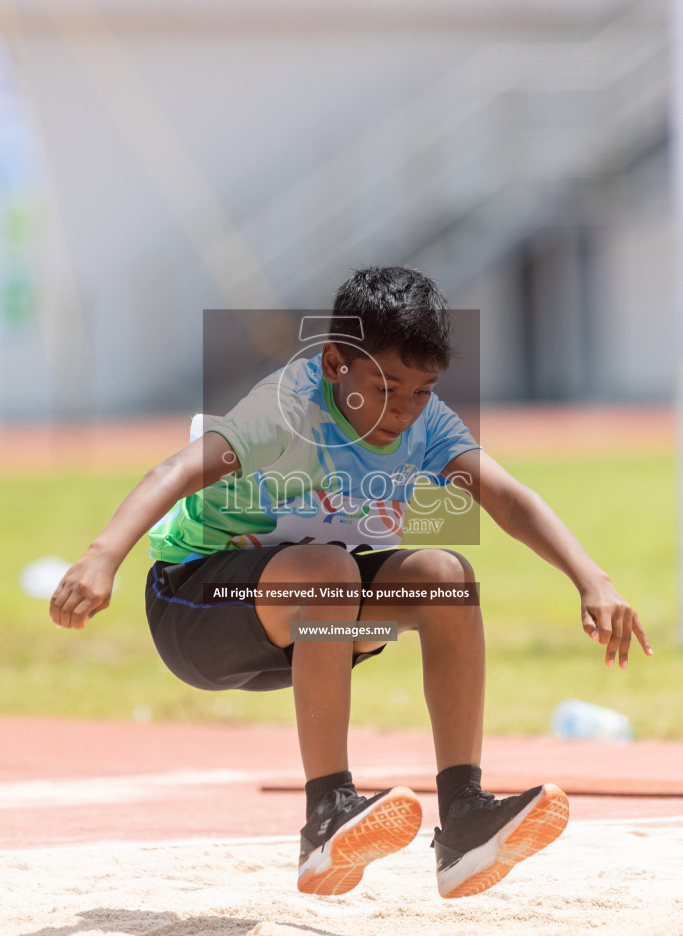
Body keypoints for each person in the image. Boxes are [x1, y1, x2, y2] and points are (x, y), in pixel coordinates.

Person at [49, 266, 652, 899]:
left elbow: (510, 501)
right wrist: (100, 557)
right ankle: (326, 815)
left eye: (421, 391)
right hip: (197, 606)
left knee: (446, 577)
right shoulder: (286, 411)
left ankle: (465, 817)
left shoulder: (426, 424)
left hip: (316, 621)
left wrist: (592, 578)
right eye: (386, 387)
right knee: (330, 572)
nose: (403, 411)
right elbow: (172, 471)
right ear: (335, 363)